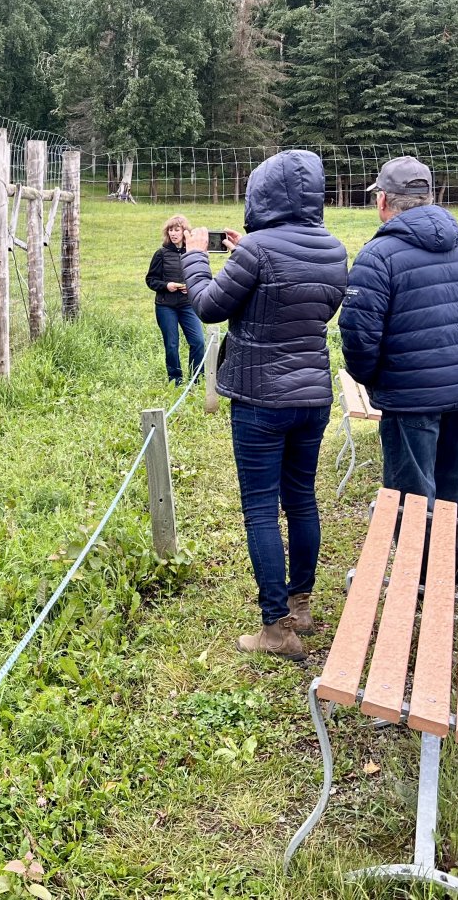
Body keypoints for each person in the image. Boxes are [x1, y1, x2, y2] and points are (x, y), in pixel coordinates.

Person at [181, 150, 348, 660]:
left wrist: (195, 256)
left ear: (262, 195)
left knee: (260, 508)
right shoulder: (335, 249)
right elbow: (304, 303)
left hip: (259, 399)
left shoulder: (255, 251)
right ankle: (301, 606)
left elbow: (209, 306)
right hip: (313, 395)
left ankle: (276, 629)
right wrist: (244, 254)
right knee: (301, 499)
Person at [339, 156, 458, 507]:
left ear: (382, 200)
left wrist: (375, 378)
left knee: (411, 503)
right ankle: (454, 562)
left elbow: (359, 335)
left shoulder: (377, 256)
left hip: (409, 398)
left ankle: (417, 564)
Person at [145, 215, 206, 385]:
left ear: (184, 231)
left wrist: (191, 286)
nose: (173, 233)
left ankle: (196, 380)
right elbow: (151, 280)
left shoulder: (193, 253)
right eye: (170, 230)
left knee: (198, 342)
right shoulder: (161, 254)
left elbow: (201, 276)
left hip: (188, 305)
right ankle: (175, 381)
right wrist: (167, 285)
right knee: (172, 345)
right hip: (166, 306)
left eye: (176, 230)